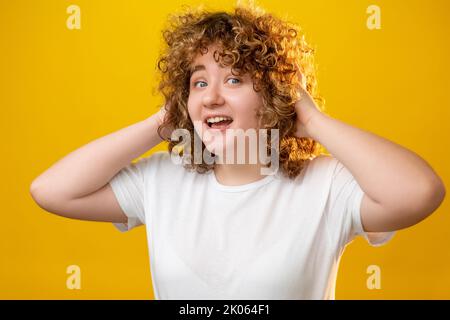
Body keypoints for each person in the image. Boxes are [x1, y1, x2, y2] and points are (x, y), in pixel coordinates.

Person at [29, 4, 446, 299]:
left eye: (234, 80)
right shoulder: (161, 179)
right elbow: (51, 190)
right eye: (197, 82)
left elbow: (420, 192)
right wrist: (161, 125)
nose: (210, 97)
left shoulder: (326, 185)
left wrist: (314, 121)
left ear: (276, 94)